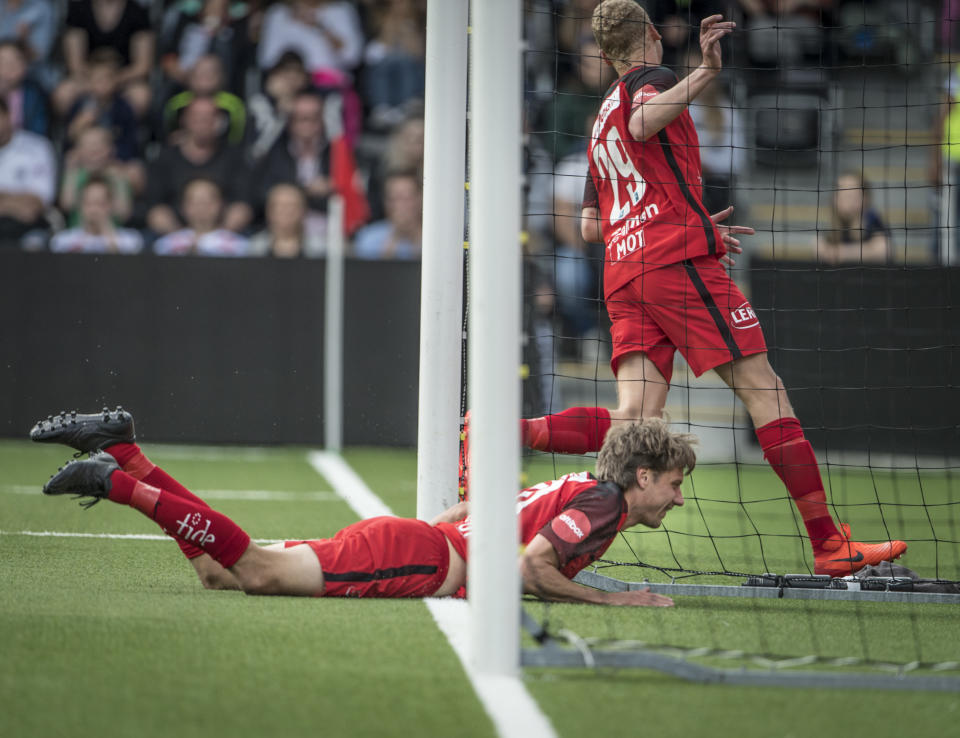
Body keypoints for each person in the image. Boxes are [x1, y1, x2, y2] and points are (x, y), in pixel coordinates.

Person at [463, 0, 907, 578]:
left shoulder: (600, 118)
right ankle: (827, 543)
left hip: (623, 271)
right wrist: (706, 73)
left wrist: (685, 215)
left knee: (633, 422)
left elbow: (591, 225)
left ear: (603, 52)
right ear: (650, 35)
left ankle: (494, 431)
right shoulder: (655, 80)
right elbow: (646, 122)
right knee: (764, 390)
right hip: (672, 263)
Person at [31, 407, 688, 606]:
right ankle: (117, 483)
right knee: (254, 570)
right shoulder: (605, 503)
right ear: (642, 474)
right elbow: (532, 568)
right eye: (674, 483)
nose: (678, 497)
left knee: (219, 571)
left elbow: (504, 519)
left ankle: (126, 456)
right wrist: (616, 600)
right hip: (418, 562)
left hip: (418, 546)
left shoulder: (584, 488)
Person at [145, 96, 253, 236]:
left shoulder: (234, 158)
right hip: (175, 234)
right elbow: (155, 207)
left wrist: (215, 238)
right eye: (197, 116)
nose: (202, 122)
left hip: (223, 234)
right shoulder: (165, 158)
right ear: (184, 120)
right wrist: (182, 237)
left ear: (218, 122)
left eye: (208, 117)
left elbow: (243, 205)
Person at [64, 48, 139, 161]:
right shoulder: (79, 104)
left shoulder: (123, 107)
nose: (102, 84)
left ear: (116, 81)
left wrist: (110, 153)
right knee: (70, 159)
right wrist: (78, 126)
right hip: (84, 156)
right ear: (89, 81)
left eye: (107, 79)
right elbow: (67, 141)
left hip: (112, 158)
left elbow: (129, 142)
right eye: (98, 79)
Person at [0, 97, 56, 247]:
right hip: (14, 216)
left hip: (27, 228)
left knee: (34, 241)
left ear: (7, 116)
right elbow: (25, 205)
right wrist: (15, 203)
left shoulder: (37, 147)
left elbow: (37, 202)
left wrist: (3, 198)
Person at [59, 125, 140, 227]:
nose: (94, 148)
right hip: (79, 234)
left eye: (99, 144)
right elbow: (67, 204)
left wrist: (117, 181)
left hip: (112, 235)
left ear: (111, 149)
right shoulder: (75, 174)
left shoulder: (117, 175)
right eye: (88, 145)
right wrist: (71, 171)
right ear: (77, 150)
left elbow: (124, 213)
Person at [152, 177, 250, 257]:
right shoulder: (164, 246)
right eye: (195, 201)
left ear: (222, 204)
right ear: (183, 206)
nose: (201, 207)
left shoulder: (239, 247)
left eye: (208, 201)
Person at [49, 175, 143, 254]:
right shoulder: (64, 240)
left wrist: (107, 231)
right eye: (88, 203)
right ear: (80, 205)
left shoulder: (129, 240)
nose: (94, 210)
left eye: (100, 204)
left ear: (110, 205)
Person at [816, 172, 890, 264]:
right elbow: (818, 246)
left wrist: (843, 253)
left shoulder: (872, 218)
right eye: (840, 193)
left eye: (851, 194)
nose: (845, 199)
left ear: (865, 198)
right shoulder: (835, 220)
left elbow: (883, 250)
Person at [353, 170, 421, 260]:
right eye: (395, 198)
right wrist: (395, 237)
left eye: (408, 198)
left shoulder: (435, 239)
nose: (402, 205)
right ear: (386, 202)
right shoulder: (369, 238)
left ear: (420, 199)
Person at [249, 183, 324, 257]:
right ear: (269, 211)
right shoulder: (254, 247)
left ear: (304, 210)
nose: (286, 212)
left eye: (292, 206)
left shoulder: (320, 248)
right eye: (280, 206)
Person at [0, 40, 49, 136]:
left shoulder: (35, 93)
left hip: (25, 145)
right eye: (3, 61)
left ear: (25, 64)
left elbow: (39, 130)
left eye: (15, 60)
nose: (9, 66)